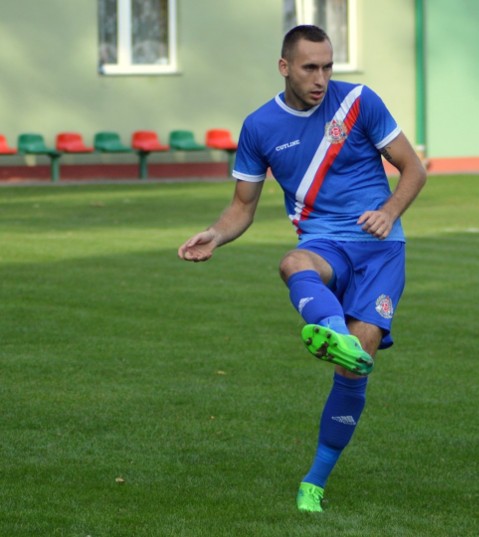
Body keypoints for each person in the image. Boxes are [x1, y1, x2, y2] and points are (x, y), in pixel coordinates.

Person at [178, 25, 427, 513]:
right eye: (310, 67)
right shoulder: (260, 127)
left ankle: (315, 478)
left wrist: (389, 212)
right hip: (324, 242)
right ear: (284, 67)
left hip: (381, 248)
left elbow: (412, 168)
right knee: (293, 262)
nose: (321, 77)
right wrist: (215, 233)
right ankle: (333, 330)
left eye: (328, 66)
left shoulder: (359, 101)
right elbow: (241, 208)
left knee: (355, 366)